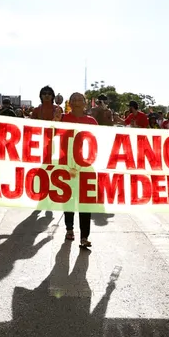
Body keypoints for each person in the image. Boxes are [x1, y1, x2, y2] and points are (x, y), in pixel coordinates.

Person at [60, 92, 98, 249]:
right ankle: (69, 229)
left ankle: (84, 236)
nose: (76, 101)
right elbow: (52, 134)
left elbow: (97, 141)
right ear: (69, 102)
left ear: (85, 103)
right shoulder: (62, 118)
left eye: (79, 98)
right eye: (73, 98)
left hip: (86, 165)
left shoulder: (91, 121)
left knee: (85, 202)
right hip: (66, 164)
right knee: (68, 198)